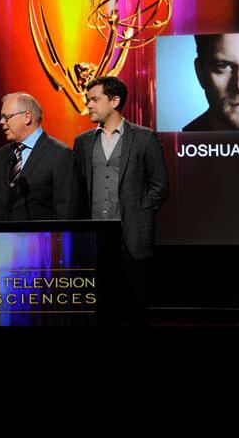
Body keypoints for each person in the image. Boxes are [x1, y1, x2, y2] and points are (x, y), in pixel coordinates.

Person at [73, 76, 169, 325]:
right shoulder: (82, 142)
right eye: (88, 100)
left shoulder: (144, 138)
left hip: (131, 240)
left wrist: (139, 213)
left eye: (94, 99)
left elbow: (159, 186)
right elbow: (79, 188)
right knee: (98, 309)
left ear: (114, 101)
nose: (89, 105)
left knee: (133, 308)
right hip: (93, 238)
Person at [0, 92, 81, 221]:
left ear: (27, 117)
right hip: (3, 239)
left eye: (6, 117)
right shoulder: (1, 155)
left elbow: (65, 211)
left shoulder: (60, 154)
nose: (1, 122)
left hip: (40, 239)